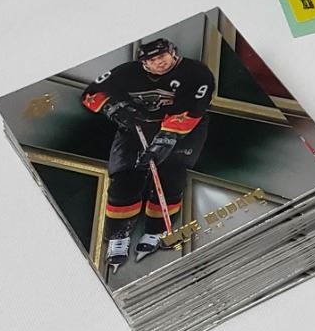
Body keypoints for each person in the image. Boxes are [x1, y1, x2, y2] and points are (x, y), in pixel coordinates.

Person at [80, 37, 214, 273]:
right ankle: (118, 236)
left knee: (171, 180)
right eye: (151, 60)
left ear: (173, 52)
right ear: (143, 63)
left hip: (185, 131)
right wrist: (113, 108)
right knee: (124, 181)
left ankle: (155, 231)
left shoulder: (196, 72)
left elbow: (194, 109)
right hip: (137, 128)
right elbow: (91, 93)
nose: (158, 63)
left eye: (161, 56)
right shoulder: (126, 72)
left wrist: (166, 139)